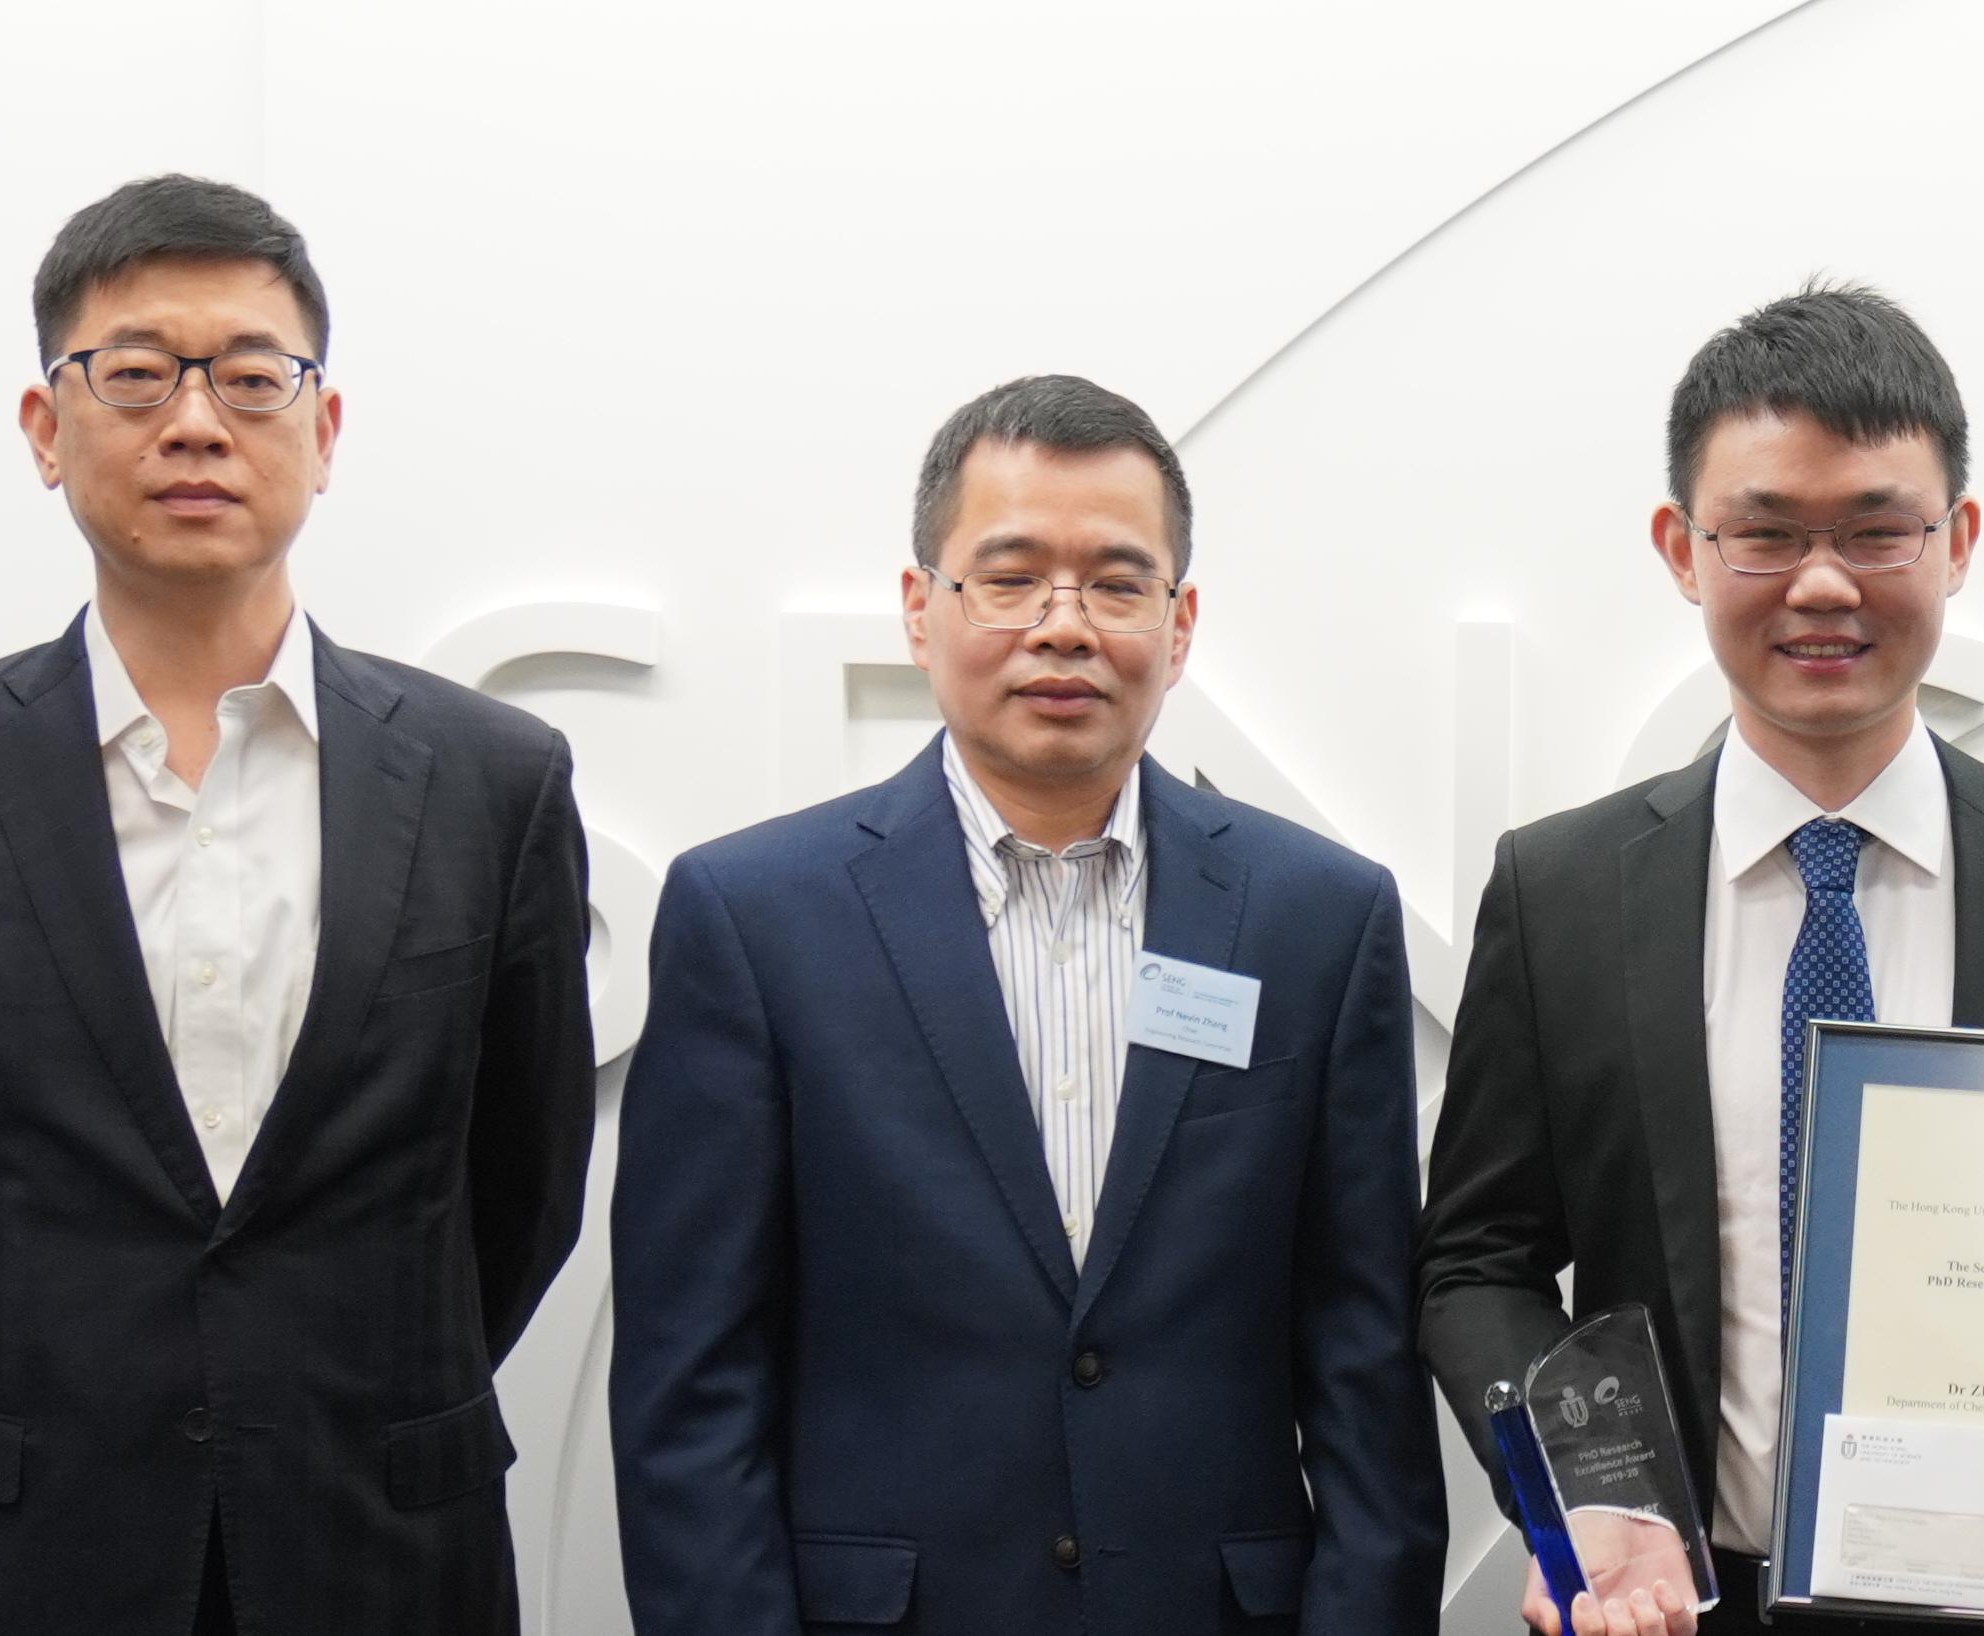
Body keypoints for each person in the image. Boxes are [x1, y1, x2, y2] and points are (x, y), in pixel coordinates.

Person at [0, 174, 595, 1636]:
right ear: (46, 429)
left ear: (324, 430)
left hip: (378, 1554)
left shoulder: (494, 783)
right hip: (8, 1559)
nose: (198, 422)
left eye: (253, 378)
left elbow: (518, 1197)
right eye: (138, 374)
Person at [1417, 283, 1984, 1636]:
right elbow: (1478, 1261)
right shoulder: (1561, 890)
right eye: (1766, 535)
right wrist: (1577, 1497)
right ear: (1682, 547)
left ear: (1957, 542)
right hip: (1671, 1603)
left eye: (1879, 531)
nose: (1825, 586)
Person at [609, 376, 1438, 1634]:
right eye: (1010, 576)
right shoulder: (754, 917)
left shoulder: (1316, 919)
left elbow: (1367, 1369)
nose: (1066, 626)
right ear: (919, 610)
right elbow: (691, 1387)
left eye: (1117, 582)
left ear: (1181, 620)